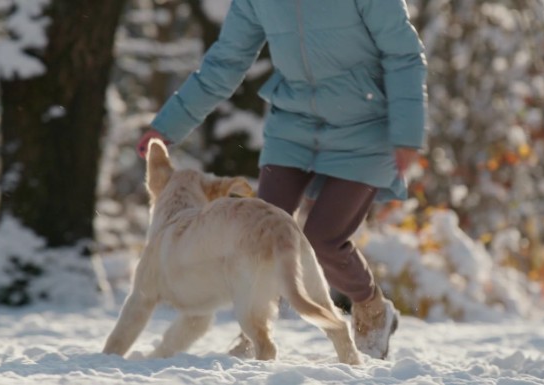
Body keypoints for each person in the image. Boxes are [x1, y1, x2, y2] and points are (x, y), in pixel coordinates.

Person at [137, 0, 427, 359]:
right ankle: (255, 330)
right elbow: (226, 62)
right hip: (294, 127)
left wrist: (407, 133)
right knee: (256, 230)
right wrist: (165, 127)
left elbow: (403, 54)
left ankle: (371, 308)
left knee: (324, 240)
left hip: (365, 128)